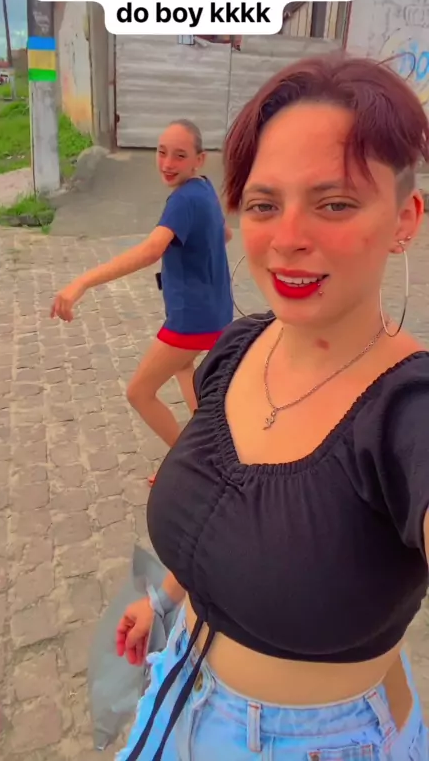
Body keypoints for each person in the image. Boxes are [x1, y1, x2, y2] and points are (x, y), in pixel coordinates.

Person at [114, 53, 429, 760]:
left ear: (405, 219)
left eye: (335, 202)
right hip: (178, 683)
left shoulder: (409, 412)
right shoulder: (238, 347)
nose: (288, 237)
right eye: (263, 204)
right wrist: (166, 600)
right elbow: (221, 516)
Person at [51, 120, 233, 485]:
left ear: (198, 159)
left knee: (139, 392)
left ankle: (192, 468)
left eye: (179, 155)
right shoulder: (203, 189)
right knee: (185, 370)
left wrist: (82, 282)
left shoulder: (183, 200)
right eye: (162, 152)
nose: (167, 163)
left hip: (191, 320)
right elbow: (225, 233)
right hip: (215, 311)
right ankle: (212, 447)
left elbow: (151, 250)